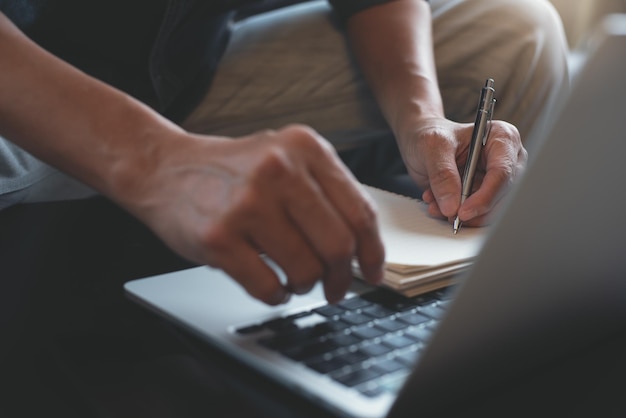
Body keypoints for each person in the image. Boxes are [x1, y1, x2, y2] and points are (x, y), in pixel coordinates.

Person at [0, 0, 569, 306]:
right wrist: (154, 161)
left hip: (185, 77)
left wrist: (422, 118)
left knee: (518, 26)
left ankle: (454, 322)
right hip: (26, 96)